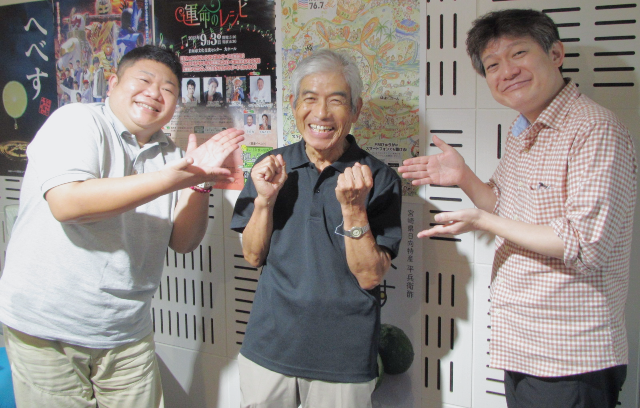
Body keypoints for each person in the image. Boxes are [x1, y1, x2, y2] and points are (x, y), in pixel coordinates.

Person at [399, 9, 637, 408]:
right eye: (492, 65)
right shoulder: (524, 131)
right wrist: (464, 178)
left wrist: (481, 220)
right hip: (525, 344)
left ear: (555, 54)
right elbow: (506, 207)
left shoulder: (594, 129)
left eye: (519, 54)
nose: (506, 71)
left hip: (570, 354)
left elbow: (583, 242)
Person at [0, 45, 244, 408]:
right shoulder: (77, 120)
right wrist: (172, 180)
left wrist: (198, 184)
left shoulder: (173, 158)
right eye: (143, 80)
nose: (154, 93)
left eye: (168, 89)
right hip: (47, 326)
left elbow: (183, 241)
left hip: (127, 330)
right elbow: (69, 204)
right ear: (113, 83)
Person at [231, 49, 402, 408]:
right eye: (310, 99)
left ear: (355, 110)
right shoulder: (271, 167)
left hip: (343, 357)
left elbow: (370, 275)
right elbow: (252, 255)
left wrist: (354, 210)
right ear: (294, 106)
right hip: (269, 346)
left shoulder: (378, 178)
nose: (321, 113)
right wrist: (264, 201)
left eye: (336, 101)